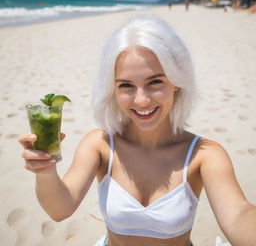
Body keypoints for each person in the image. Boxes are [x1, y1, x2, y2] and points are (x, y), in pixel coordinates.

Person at [18, 15, 256, 246]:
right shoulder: (100, 144)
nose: (141, 100)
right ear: (113, 88)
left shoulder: (205, 155)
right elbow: (60, 209)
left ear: (176, 80)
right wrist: (45, 171)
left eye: (155, 82)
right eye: (126, 86)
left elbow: (239, 215)